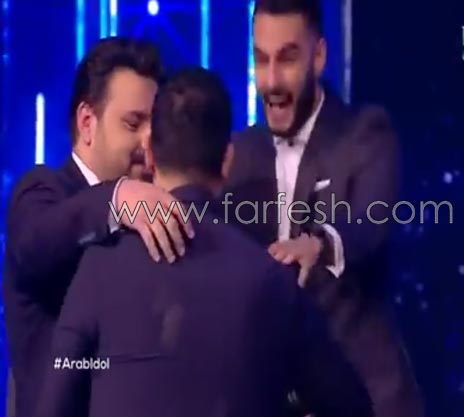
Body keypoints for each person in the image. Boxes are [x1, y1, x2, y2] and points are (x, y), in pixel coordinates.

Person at [34, 67, 373, 417]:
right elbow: (352, 407)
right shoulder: (271, 281)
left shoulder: (99, 268)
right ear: (227, 161)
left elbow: (56, 401)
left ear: (149, 152)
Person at [225, 1, 424, 416]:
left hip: (364, 396)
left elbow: (368, 225)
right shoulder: (238, 154)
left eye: (287, 59)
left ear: (318, 57)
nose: (271, 80)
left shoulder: (365, 134)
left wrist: (318, 244)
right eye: (261, 60)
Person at [3, 37, 190, 417]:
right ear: (87, 122)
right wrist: (116, 198)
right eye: (133, 123)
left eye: (154, 126)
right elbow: (35, 244)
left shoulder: (154, 208)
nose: (148, 141)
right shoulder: (42, 191)